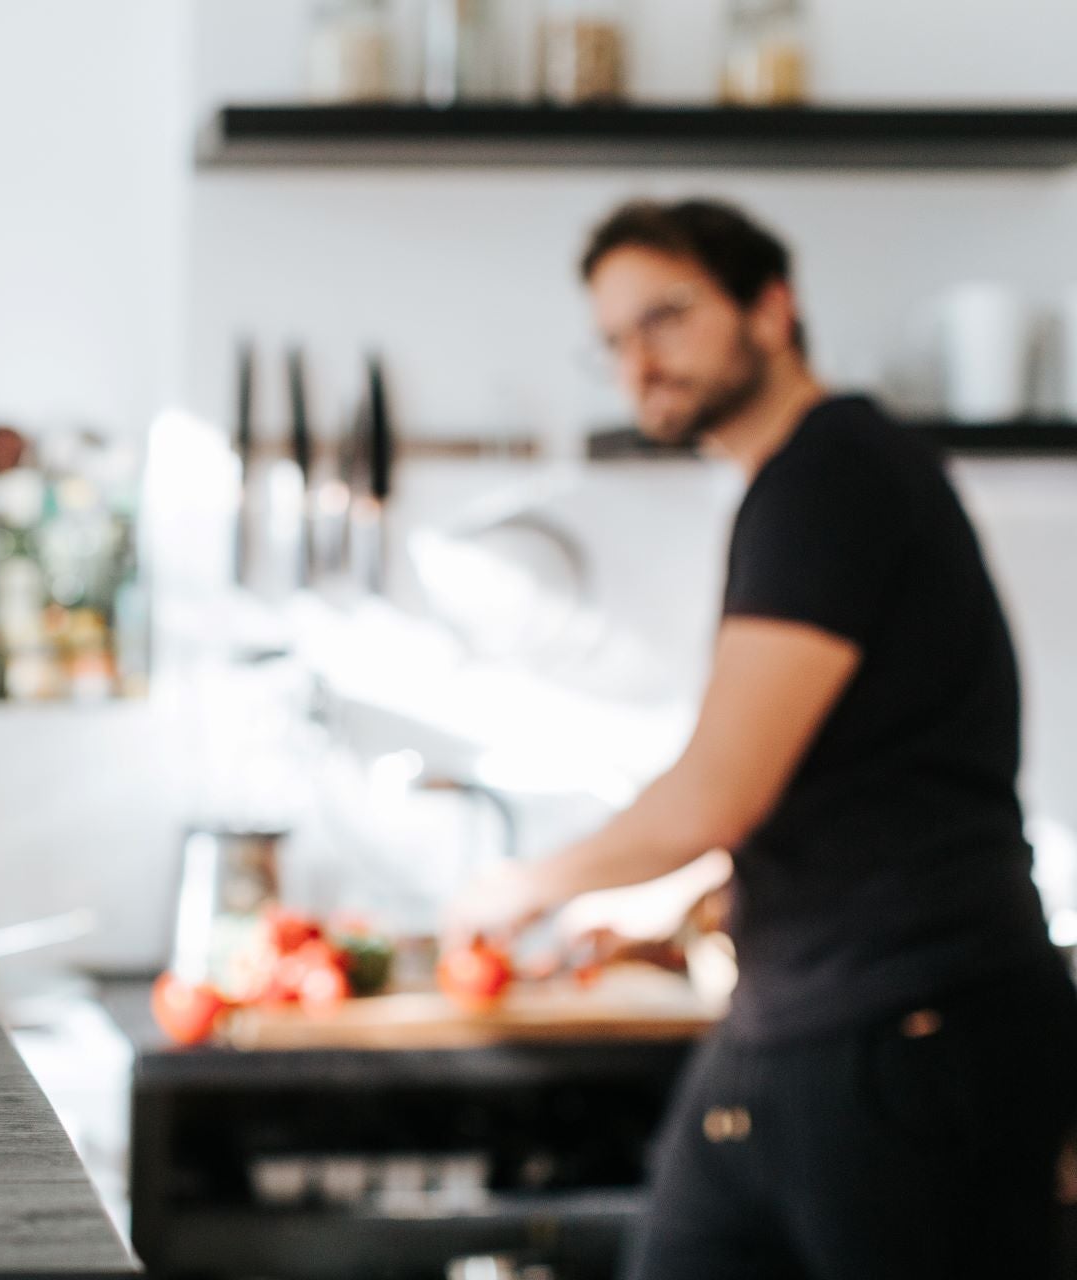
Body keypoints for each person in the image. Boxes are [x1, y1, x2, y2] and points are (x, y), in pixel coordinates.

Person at [444, 197, 1077, 1279]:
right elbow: (832, 779)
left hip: (910, 1034)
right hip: (810, 1022)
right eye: (614, 340)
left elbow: (715, 794)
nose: (639, 361)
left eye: (667, 318)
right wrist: (661, 903)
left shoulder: (831, 475)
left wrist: (520, 884)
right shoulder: (817, 480)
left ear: (771, 310)